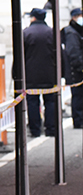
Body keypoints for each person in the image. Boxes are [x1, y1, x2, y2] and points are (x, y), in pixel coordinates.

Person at [21, 8, 57, 138]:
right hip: (49, 74)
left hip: (30, 74)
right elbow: (59, 54)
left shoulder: (25, 33)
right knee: (50, 101)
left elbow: (20, 56)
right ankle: (51, 129)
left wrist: (16, 74)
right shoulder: (52, 32)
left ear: (33, 18)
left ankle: (35, 130)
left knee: (32, 102)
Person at [61, 8, 83, 129]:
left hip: (78, 70)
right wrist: (81, 67)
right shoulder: (72, 33)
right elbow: (73, 52)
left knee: (81, 96)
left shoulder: (77, 31)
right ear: (74, 17)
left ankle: (79, 119)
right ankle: (78, 120)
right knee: (78, 96)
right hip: (76, 71)